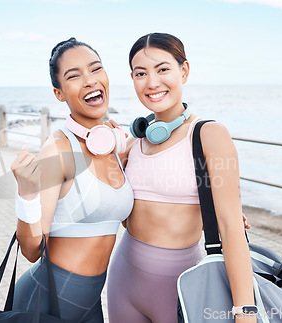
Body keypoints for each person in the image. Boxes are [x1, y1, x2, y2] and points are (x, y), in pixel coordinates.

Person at [106, 33, 257, 323]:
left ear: (184, 70)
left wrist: (245, 312)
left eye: (163, 69)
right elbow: (120, 213)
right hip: (123, 280)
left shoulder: (208, 135)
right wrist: (109, 158)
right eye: (141, 73)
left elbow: (231, 228)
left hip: (182, 286)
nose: (152, 82)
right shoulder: (133, 142)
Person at [10, 37, 134, 322]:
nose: (89, 80)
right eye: (74, 76)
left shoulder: (115, 147)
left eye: (96, 69)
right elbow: (31, 251)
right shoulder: (58, 148)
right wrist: (26, 195)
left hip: (90, 302)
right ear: (59, 93)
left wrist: (212, 212)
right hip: (46, 300)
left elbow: (130, 221)